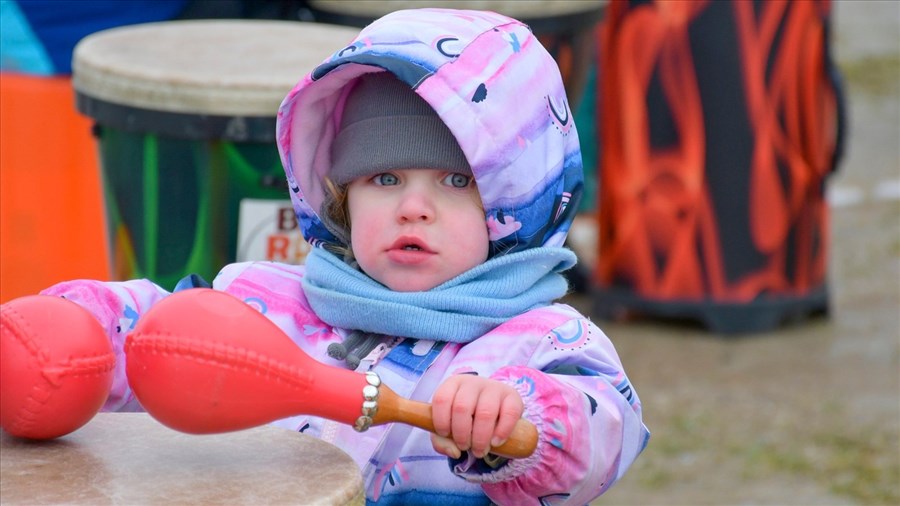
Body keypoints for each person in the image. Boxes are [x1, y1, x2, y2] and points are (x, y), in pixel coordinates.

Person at [10, 8, 649, 504]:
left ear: (517, 202)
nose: (413, 208)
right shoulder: (268, 299)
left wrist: (521, 418)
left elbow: (603, 432)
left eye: (456, 183)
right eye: (384, 180)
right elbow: (160, 336)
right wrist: (75, 330)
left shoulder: (542, 340)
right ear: (341, 196)